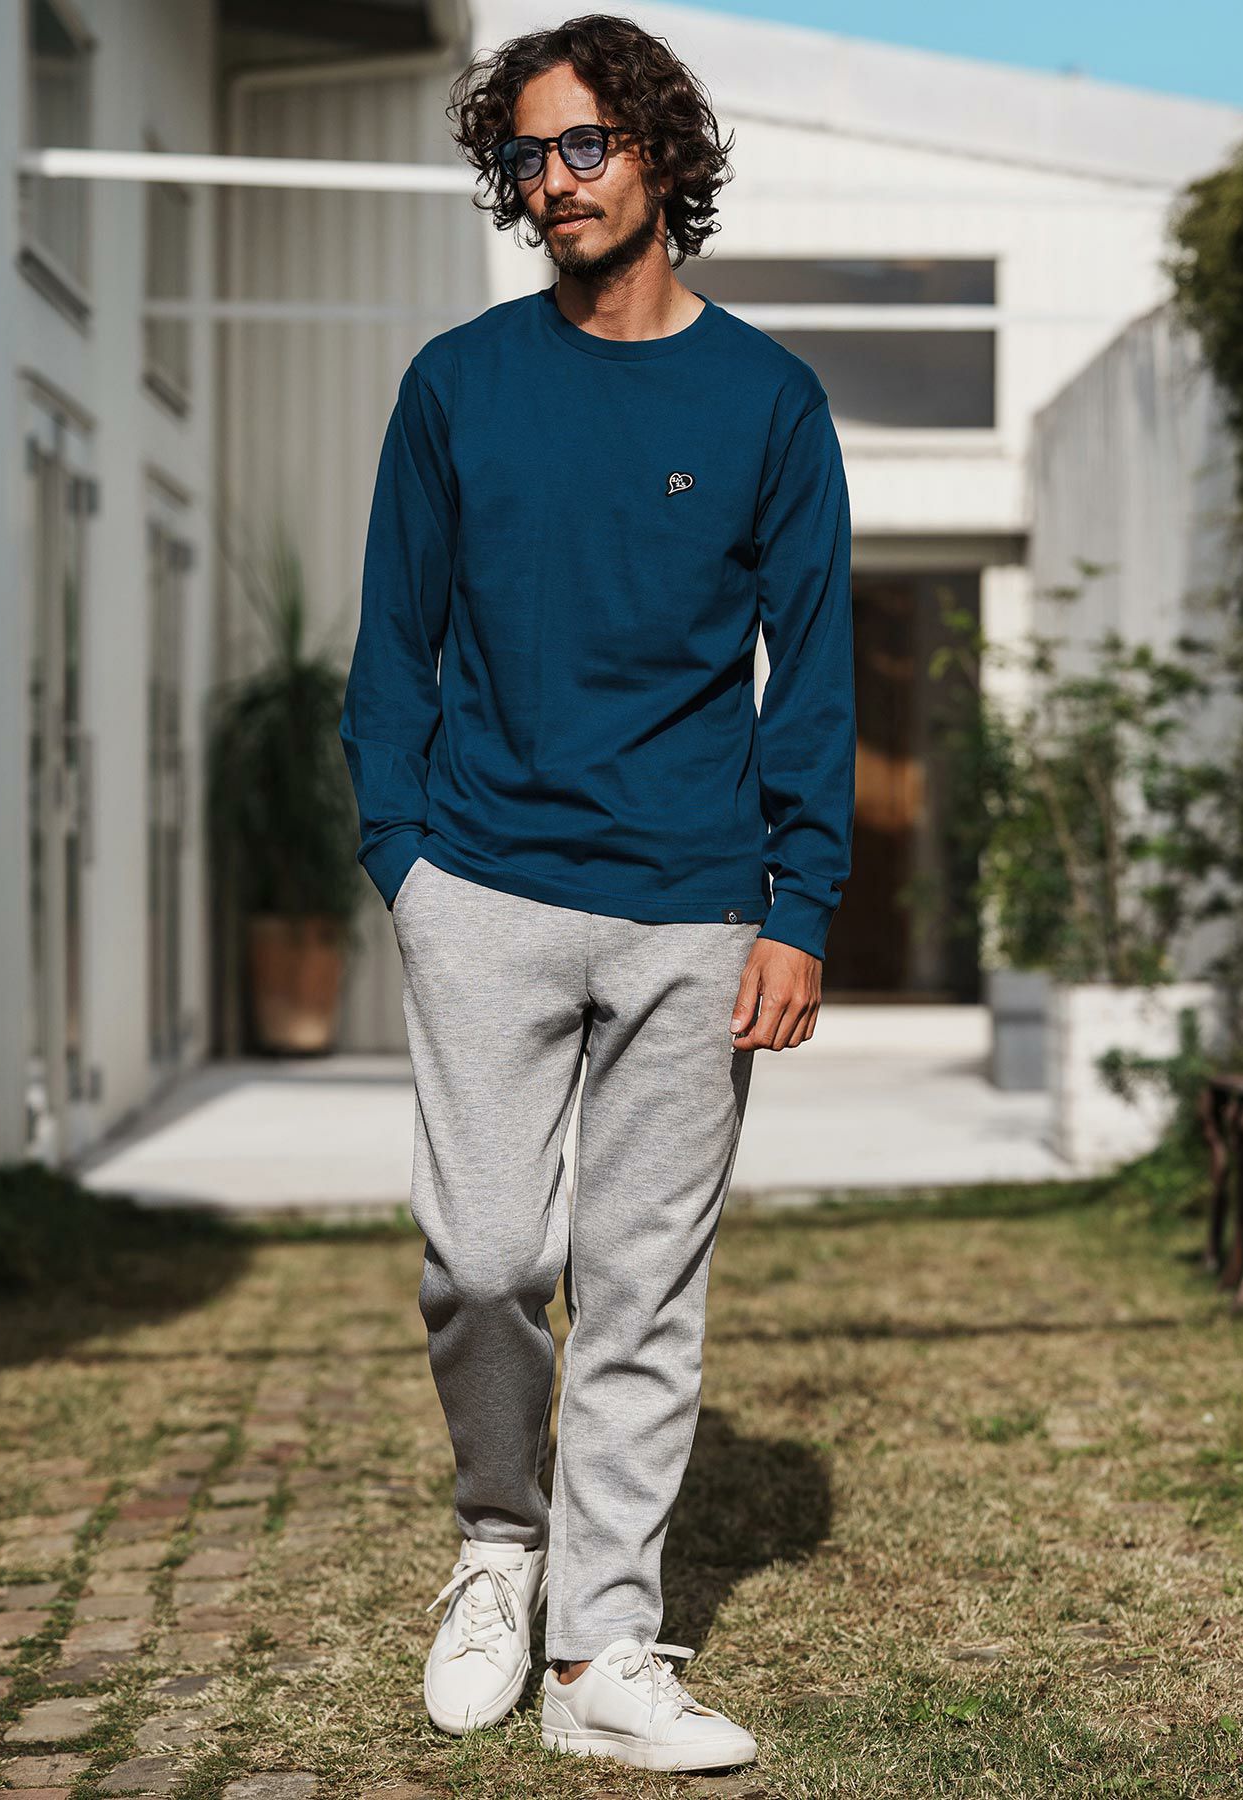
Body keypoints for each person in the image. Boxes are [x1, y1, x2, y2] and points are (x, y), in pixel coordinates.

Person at [338, 11, 855, 1776]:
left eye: (585, 144)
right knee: (487, 1261)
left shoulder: (767, 402)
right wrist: (404, 861)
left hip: (696, 909)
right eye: (527, 154)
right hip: (481, 884)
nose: (554, 180)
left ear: (659, 154)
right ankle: (502, 1540)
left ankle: (597, 1656)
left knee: (641, 1289)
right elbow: (391, 651)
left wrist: (799, 906)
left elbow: (815, 674)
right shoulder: (458, 385)